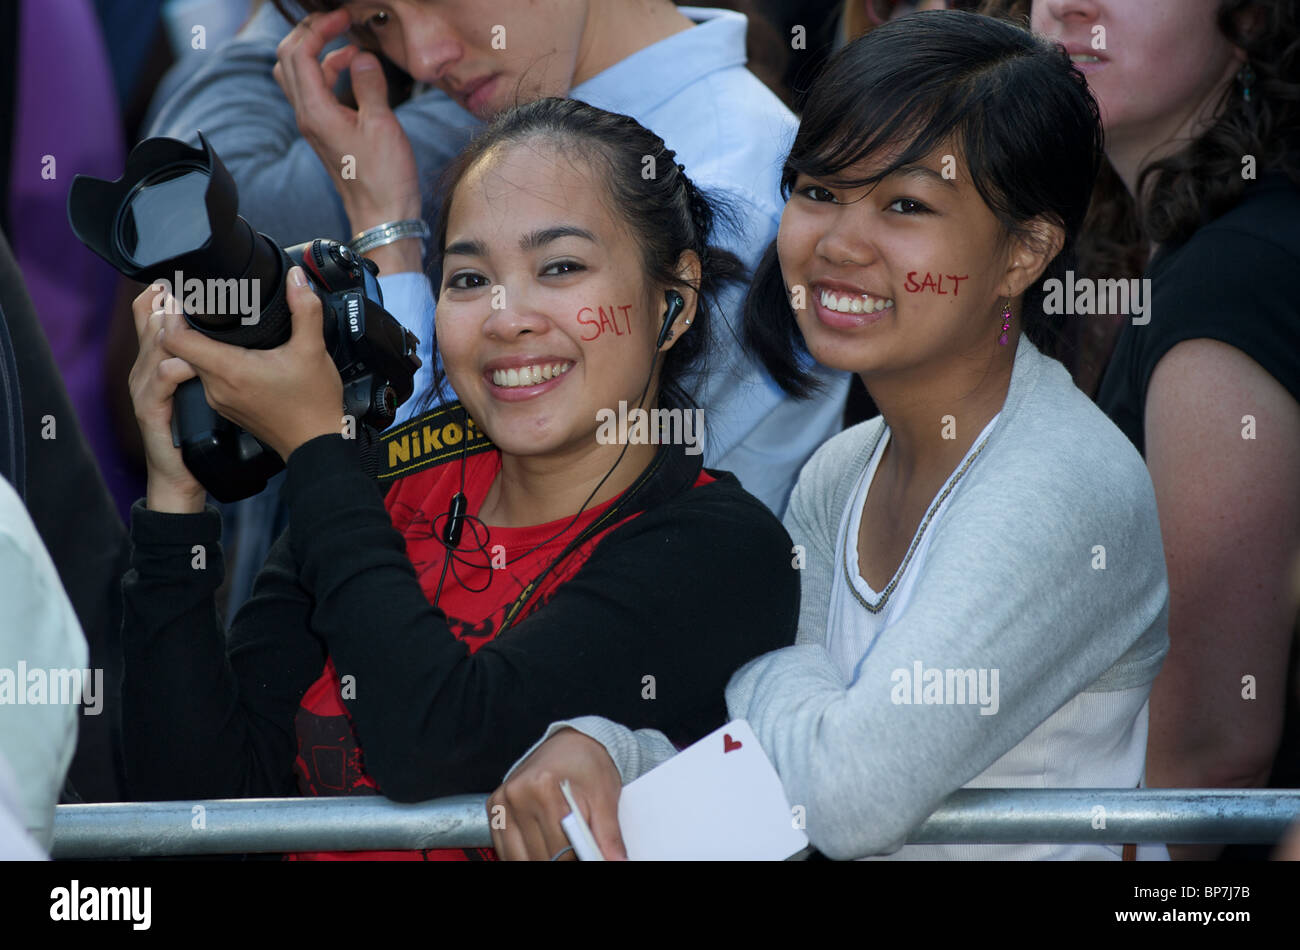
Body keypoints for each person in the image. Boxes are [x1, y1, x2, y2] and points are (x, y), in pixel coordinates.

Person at [489, 11, 1170, 862]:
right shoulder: (844, 468)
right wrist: (607, 751)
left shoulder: (1060, 483)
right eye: (818, 191)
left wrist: (754, 665)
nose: (839, 243)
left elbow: (847, 796)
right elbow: (771, 791)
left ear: (1024, 253)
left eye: (906, 205)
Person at [118, 98, 799, 861]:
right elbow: (193, 806)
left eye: (560, 268)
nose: (507, 319)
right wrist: (176, 500)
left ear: (672, 304)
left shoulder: (725, 552)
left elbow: (439, 746)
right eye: (470, 279)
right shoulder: (383, 486)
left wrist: (316, 447)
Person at [1028, 0, 1300, 861]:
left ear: (1252, 18)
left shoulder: (1234, 272)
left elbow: (1208, 752)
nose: (1068, 6)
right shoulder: (1210, 249)